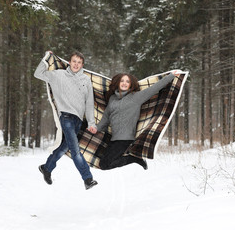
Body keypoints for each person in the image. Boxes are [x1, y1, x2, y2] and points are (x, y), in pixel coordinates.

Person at [34, 50, 98, 190]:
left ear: (82, 65)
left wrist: (91, 123)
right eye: (74, 61)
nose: (76, 64)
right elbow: (38, 74)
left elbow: (89, 103)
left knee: (64, 148)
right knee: (75, 151)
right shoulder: (59, 75)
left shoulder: (86, 80)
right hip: (66, 117)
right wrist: (46, 58)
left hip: (78, 121)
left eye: (79, 62)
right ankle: (88, 179)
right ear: (69, 62)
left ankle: (47, 168)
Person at [96, 71, 179, 170]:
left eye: (127, 81)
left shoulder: (135, 97)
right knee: (100, 160)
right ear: (117, 83)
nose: (124, 83)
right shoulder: (112, 98)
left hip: (125, 140)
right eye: (122, 81)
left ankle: (134, 158)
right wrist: (96, 129)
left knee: (104, 165)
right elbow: (106, 117)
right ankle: (133, 157)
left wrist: (171, 76)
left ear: (131, 84)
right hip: (113, 139)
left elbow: (154, 88)